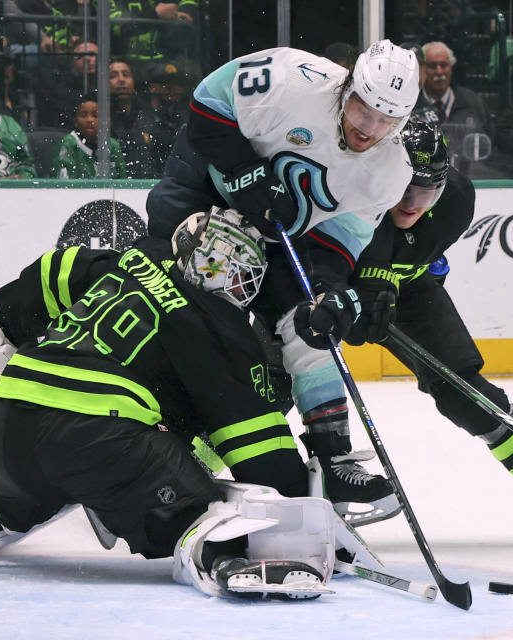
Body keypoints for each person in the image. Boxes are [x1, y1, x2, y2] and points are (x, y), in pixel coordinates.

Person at [0, 207, 337, 599]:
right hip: (100, 438)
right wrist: (303, 504)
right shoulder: (222, 330)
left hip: (6, 420)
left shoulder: (137, 257)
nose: (231, 280)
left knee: (11, 496)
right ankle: (219, 557)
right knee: (205, 512)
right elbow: (258, 445)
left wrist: (2, 329)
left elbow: (56, 269)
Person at [144, 40, 420, 524]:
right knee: (191, 292)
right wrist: (246, 172)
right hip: (206, 181)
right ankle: (151, 428)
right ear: (348, 85)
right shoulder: (292, 78)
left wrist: (328, 290)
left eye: (386, 120)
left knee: (313, 320)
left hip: (283, 229)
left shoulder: (391, 171)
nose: (368, 127)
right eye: (364, 107)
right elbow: (208, 103)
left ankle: (332, 457)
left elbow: (339, 242)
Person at [344, 118, 513, 550]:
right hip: (336, 288)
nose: (413, 203)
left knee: (468, 397)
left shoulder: (457, 199)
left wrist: (403, 280)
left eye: (426, 191)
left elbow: (420, 250)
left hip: (411, 290)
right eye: (405, 189)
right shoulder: (356, 188)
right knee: (278, 374)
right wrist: (365, 288)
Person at [421, 41, 491, 175]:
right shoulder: (412, 105)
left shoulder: (473, 102)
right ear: (422, 70)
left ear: (451, 68)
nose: (439, 72)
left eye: (444, 65)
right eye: (432, 66)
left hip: (468, 178)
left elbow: (489, 145)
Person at [109, 58, 169, 178]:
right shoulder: (99, 119)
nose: (121, 80)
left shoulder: (149, 119)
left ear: (134, 85)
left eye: (126, 75)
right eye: (113, 76)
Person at [49, 92, 127, 178]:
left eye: (95, 115)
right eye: (83, 115)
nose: (89, 120)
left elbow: (122, 182)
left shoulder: (112, 145)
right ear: (75, 121)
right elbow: (62, 183)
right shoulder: (69, 143)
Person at [34, 39, 97, 128]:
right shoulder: (61, 87)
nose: (87, 59)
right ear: (72, 61)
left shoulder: (108, 85)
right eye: (80, 56)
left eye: (91, 55)